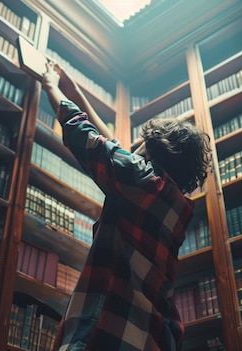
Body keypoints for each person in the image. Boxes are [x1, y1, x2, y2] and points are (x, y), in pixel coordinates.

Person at [41, 61, 212, 351]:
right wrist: (70, 86)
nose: (132, 148)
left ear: (155, 148)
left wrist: (50, 87)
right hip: (153, 337)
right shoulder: (173, 202)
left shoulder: (142, 179)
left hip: (112, 331)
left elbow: (82, 133)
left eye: (140, 144)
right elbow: (108, 141)